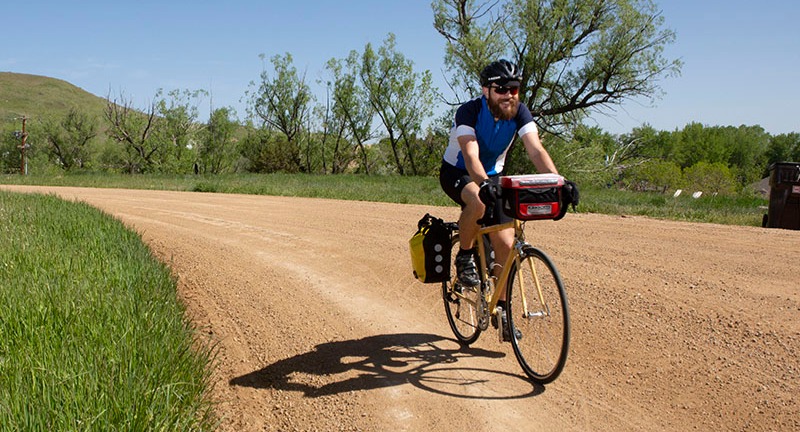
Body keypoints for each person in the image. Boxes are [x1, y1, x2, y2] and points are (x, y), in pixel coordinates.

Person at [439, 59, 559, 341]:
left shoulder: (520, 113)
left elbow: (535, 150)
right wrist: (482, 184)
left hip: (493, 176)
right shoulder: (469, 111)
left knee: (506, 244)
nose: (509, 94)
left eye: (514, 89)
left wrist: (558, 181)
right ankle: (465, 255)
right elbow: (470, 154)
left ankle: (502, 311)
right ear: (486, 90)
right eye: (501, 89)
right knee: (478, 203)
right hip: (458, 172)